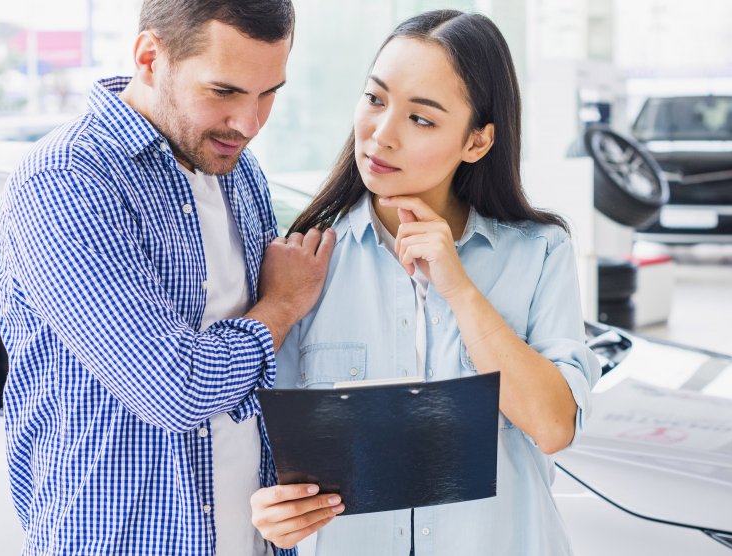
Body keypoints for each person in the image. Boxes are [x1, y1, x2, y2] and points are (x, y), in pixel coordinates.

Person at [249, 10, 600, 555]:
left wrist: (459, 289)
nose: (381, 135)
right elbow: (274, 458)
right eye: (375, 99)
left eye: (422, 119)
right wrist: (273, 513)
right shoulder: (306, 262)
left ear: (477, 142)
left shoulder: (539, 252)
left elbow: (553, 426)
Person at [0, 1, 333, 554]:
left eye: (269, 93)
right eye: (224, 91)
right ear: (150, 58)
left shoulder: (240, 172)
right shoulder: (65, 181)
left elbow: (268, 384)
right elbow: (172, 388)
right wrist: (280, 306)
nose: (249, 123)